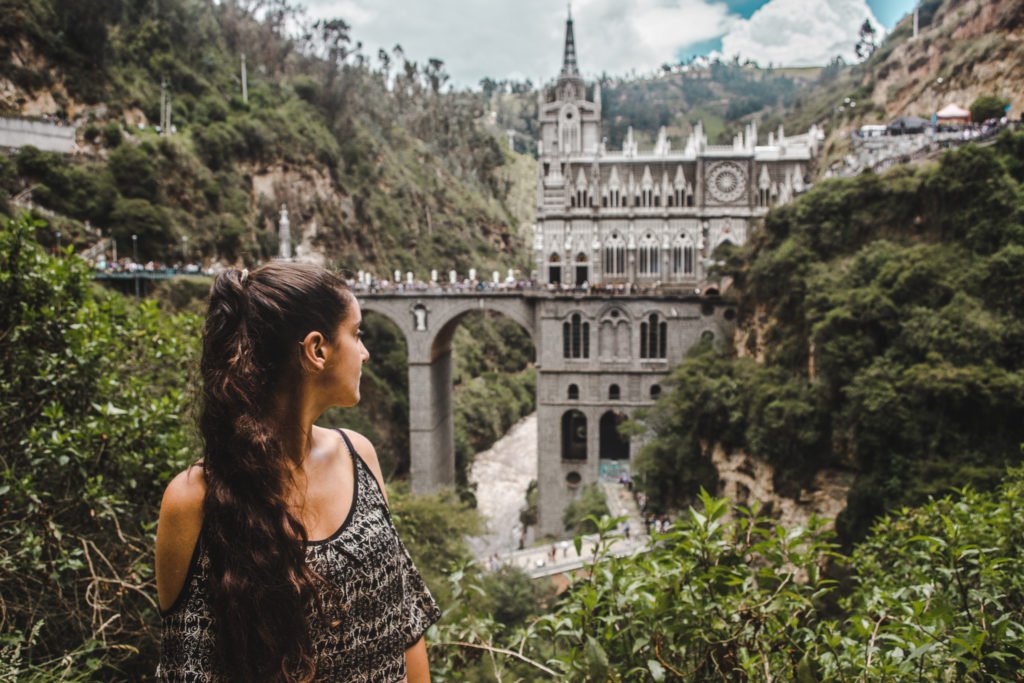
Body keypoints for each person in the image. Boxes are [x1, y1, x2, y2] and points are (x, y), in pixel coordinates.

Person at [155, 262, 440, 682]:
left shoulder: (359, 456)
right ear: (317, 350)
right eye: (356, 334)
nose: (365, 352)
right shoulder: (194, 499)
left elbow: (404, 623)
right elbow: (188, 666)